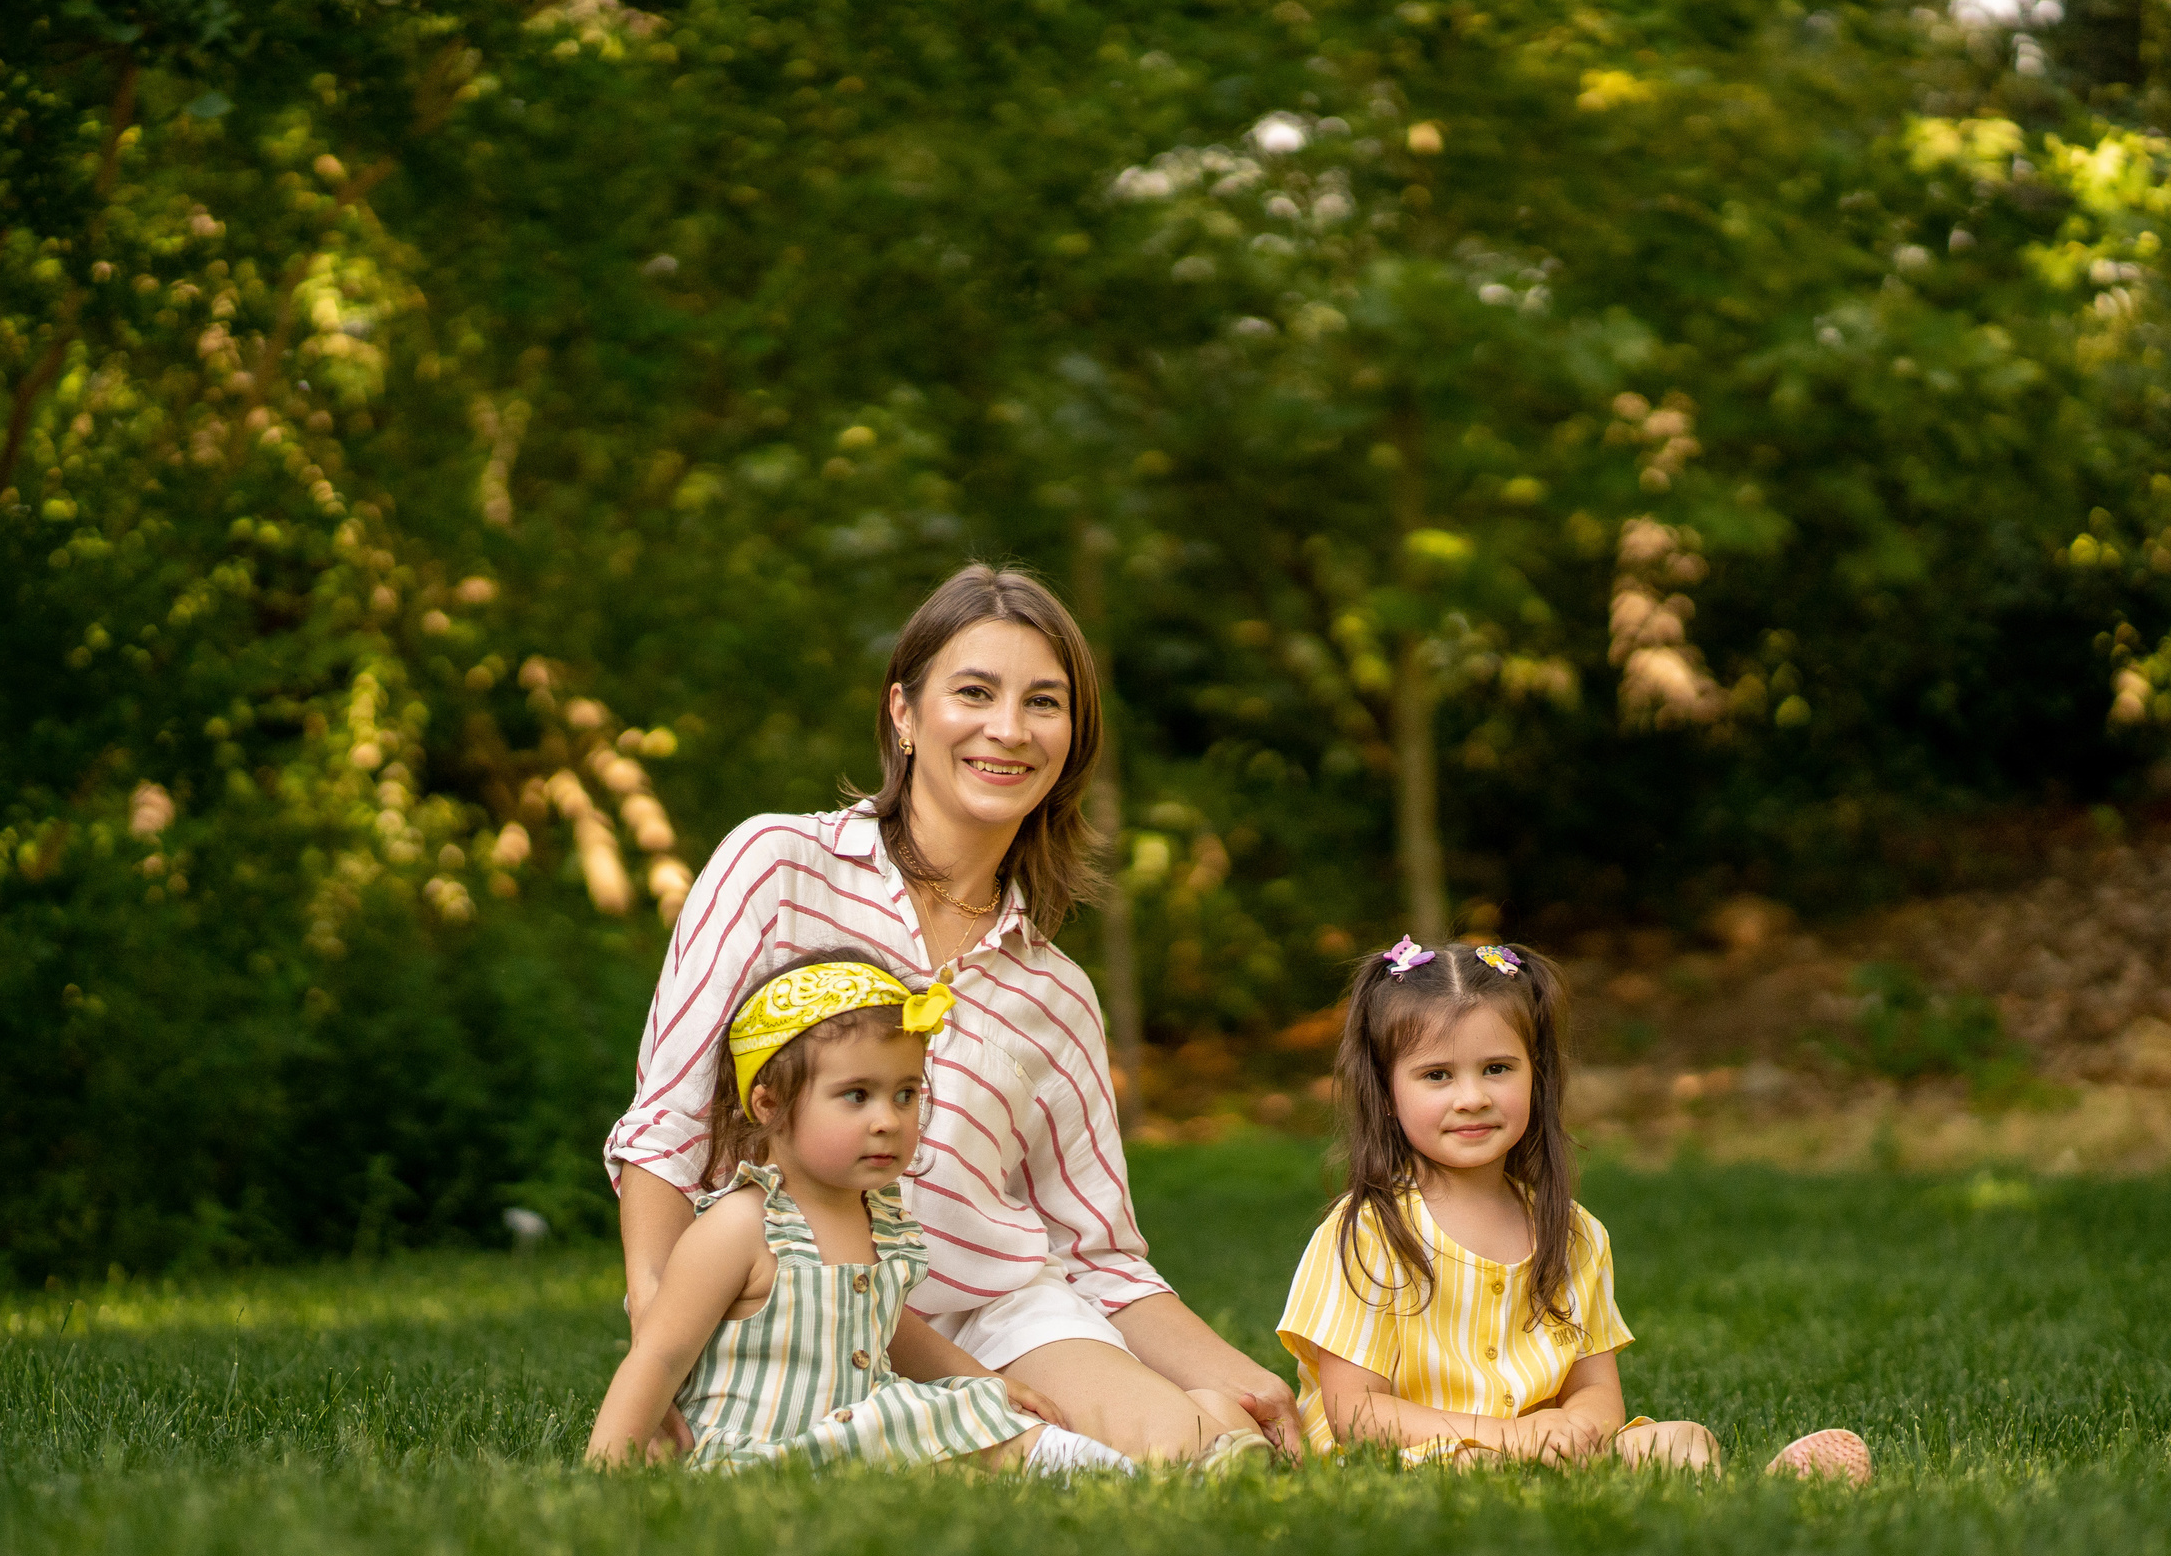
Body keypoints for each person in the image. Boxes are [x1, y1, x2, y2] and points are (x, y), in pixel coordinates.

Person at [606, 564, 1288, 1466]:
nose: (1009, 728)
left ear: (1073, 737)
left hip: (996, 1314)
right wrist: (660, 1333)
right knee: (1024, 1465)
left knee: (1183, 1446)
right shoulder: (774, 866)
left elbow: (1101, 1256)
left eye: (1043, 702)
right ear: (904, 711)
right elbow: (667, 1126)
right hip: (792, 1302)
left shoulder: (1055, 993)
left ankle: (1202, 1417)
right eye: (975, 692)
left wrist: (1243, 1374)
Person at [1277, 936, 1872, 1481]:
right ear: (1386, 1092)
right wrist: (1508, 1437)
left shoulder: (1573, 1233)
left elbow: (1597, 1392)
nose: (1473, 1097)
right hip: (1412, 1452)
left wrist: (1574, 1429)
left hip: (1541, 1445)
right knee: (1471, 1469)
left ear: (1536, 1075)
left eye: (1497, 1069)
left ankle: (1764, 1491)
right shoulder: (1367, 1233)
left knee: (1682, 1439)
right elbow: (1358, 1414)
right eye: (1437, 1075)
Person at [586, 953, 1134, 1475]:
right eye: (856, 1095)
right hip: (765, 1449)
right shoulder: (740, 1226)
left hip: (860, 1431)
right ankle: (1057, 1463)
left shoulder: (880, 1217)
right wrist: (608, 1465)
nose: (888, 1120)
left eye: (905, 1095)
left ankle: (1067, 1464)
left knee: (948, 1408)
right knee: (915, 1421)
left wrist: (983, 1379)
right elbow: (659, 1357)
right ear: (770, 1105)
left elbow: (890, 1329)